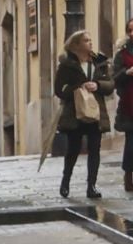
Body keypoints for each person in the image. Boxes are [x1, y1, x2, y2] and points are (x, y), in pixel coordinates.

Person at [56, 29, 111, 200]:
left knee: (95, 149)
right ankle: (65, 182)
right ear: (76, 45)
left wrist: (98, 85)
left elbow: (111, 84)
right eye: (86, 40)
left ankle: (91, 186)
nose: (90, 43)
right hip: (75, 113)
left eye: (90, 39)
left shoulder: (99, 62)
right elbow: (59, 90)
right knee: (73, 149)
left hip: (95, 112)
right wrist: (77, 88)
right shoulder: (67, 64)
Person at [111, 18, 133, 193]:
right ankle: (128, 178)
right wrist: (128, 72)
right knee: (131, 142)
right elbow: (115, 79)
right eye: (130, 30)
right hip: (129, 106)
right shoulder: (122, 54)